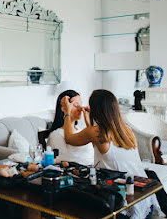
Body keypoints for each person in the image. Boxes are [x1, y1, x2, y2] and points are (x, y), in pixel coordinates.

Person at [61, 89, 160, 219]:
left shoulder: (95, 132)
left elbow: (69, 138)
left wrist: (67, 112)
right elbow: (101, 148)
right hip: (144, 201)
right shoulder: (126, 130)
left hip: (125, 206)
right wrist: (89, 123)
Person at [46, 90, 94, 165]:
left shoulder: (81, 129)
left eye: (81, 105)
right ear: (63, 108)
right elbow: (64, 160)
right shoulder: (56, 135)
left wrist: (89, 124)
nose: (81, 109)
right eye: (76, 105)